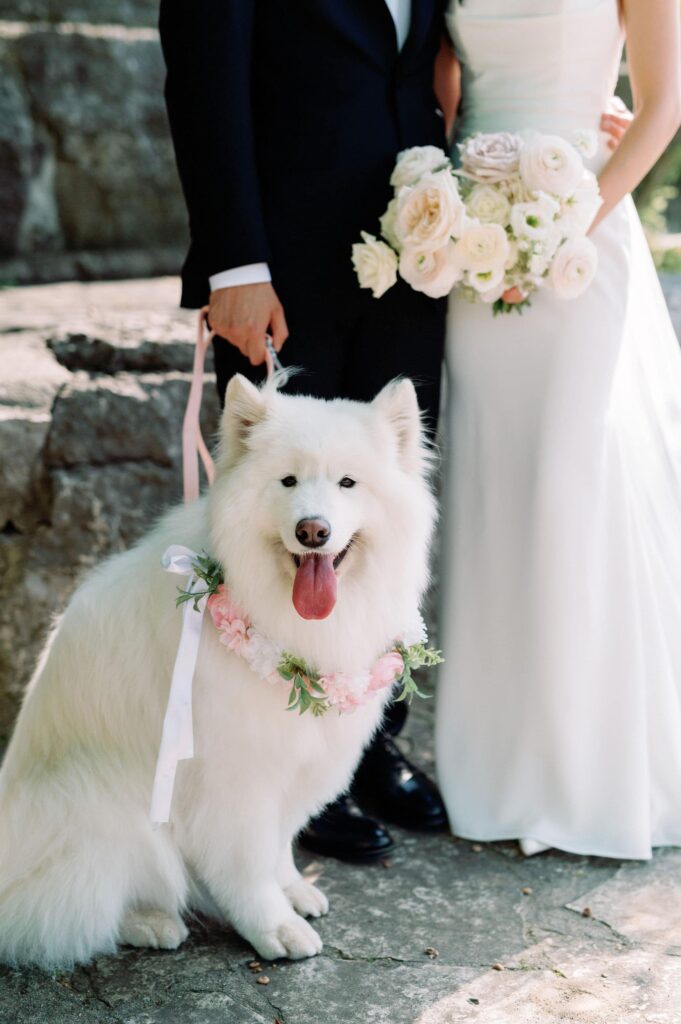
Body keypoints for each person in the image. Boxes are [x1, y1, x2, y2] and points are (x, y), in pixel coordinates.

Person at [158, 1, 452, 862]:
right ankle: (275, 757)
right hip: (282, 268)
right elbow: (204, 79)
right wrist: (235, 262)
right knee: (276, 514)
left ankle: (365, 740)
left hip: (413, 259)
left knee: (382, 511)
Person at [435, 0, 681, 859]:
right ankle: (496, 764)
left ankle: (586, 771)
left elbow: (663, 102)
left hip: (582, 239)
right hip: (470, 240)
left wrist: (576, 211)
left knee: (565, 479)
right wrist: (446, 193)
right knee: (488, 482)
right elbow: (442, 79)